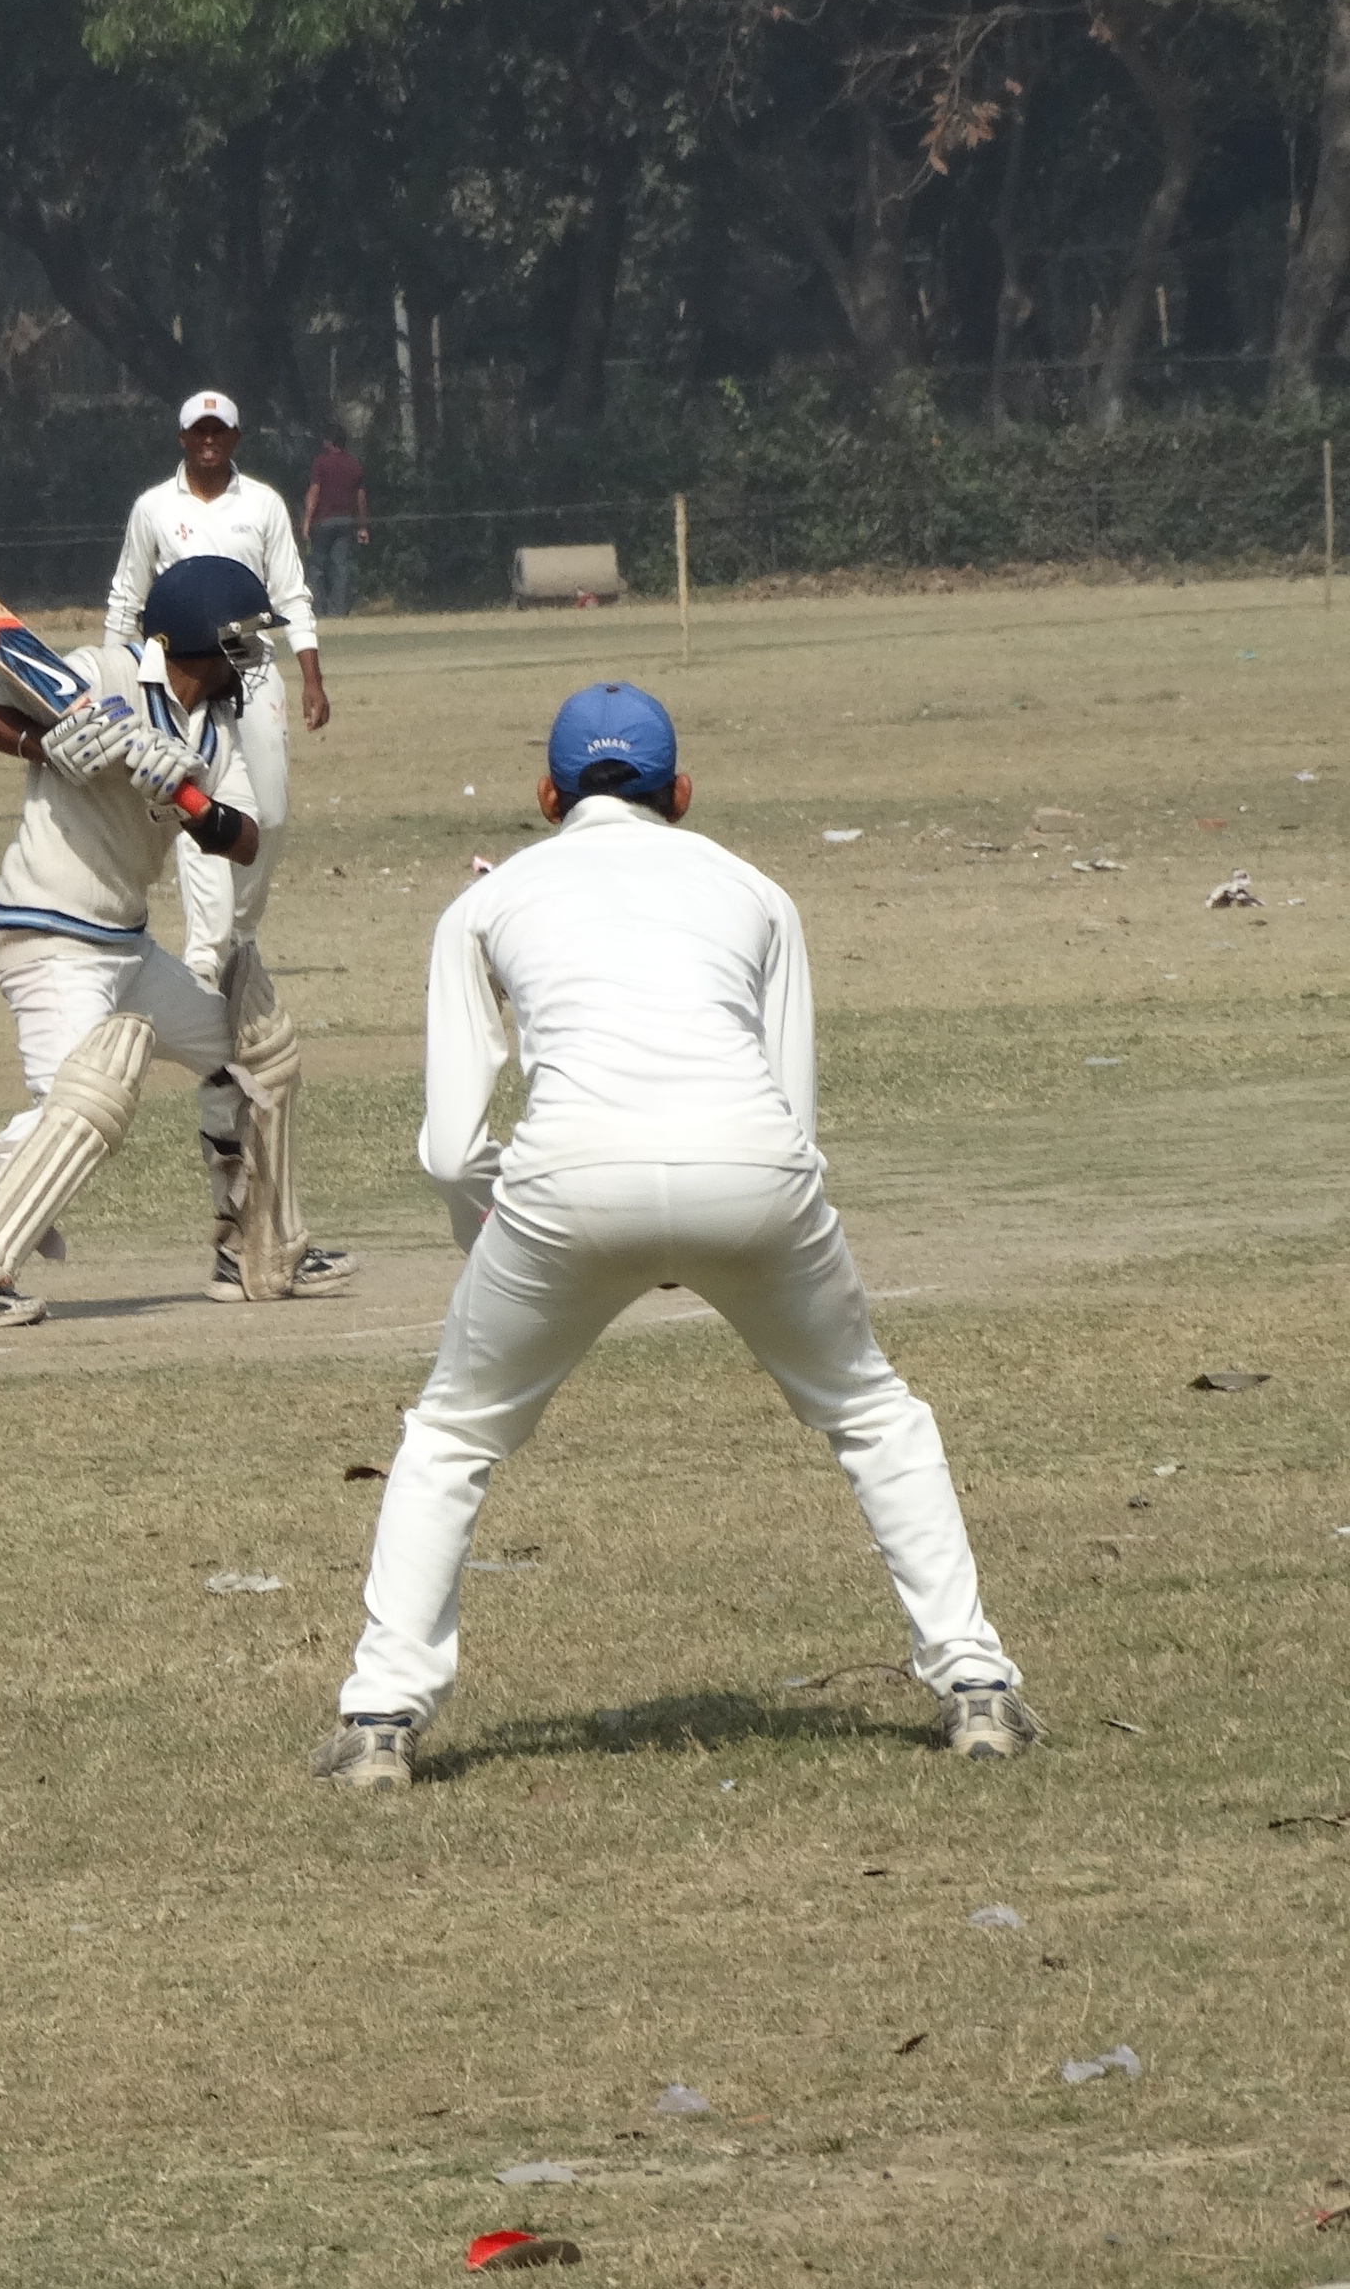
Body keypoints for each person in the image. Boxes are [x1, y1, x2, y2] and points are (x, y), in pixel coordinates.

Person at [308, 683, 1037, 1791]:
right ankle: (976, 1688)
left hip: (563, 1186)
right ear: (681, 793)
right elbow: (793, 1119)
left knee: (453, 1434)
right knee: (873, 1412)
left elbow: (453, 1152)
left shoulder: (488, 903)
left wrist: (506, 1243)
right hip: (754, 1172)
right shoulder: (755, 890)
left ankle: (379, 1723)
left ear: (545, 794)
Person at [0, 557, 348, 1327]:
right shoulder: (101, 672)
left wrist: (189, 800)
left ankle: (249, 1247)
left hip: (125, 947)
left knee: (248, 1055)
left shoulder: (216, 724)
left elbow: (241, 839)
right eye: (243, 638)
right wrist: (45, 747)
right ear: (200, 638)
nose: (254, 654)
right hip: (48, 934)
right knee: (79, 1109)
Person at [105, 393, 324, 986]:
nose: (208, 439)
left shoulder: (263, 504)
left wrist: (311, 676)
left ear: (234, 437)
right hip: (179, 677)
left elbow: (292, 592)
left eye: (219, 431)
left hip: (251, 666)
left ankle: (243, 931)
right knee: (193, 800)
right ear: (181, 437)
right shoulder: (152, 508)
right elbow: (127, 598)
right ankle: (207, 950)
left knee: (270, 813)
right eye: (198, 431)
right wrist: (115, 679)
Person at [301, 425, 368, 621]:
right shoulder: (355, 465)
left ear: (328, 442)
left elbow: (314, 492)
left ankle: (318, 610)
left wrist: (306, 521)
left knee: (317, 566)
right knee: (341, 567)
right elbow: (361, 498)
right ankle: (339, 612)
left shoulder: (321, 463)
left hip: (322, 520)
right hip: (346, 520)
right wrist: (363, 526)